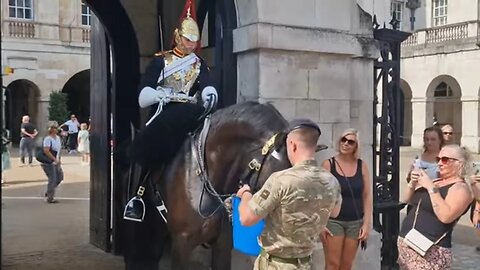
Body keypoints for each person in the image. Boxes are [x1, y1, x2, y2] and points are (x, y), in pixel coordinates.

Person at [236, 119, 342, 270]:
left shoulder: (280, 180)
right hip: (305, 264)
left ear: (292, 145)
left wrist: (246, 194)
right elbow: (335, 212)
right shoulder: (332, 181)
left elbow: (246, 219)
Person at [128, 0, 217, 170]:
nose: (191, 44)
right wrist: (155, 95)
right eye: (188, 39)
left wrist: (209, 92)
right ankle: (139, 192)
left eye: (194, 40)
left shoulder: (199, 63)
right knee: (148, 149)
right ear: (178, 36)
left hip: (191, 114)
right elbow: (145, 90)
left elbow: (206, 83)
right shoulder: (161, 60)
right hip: (165, 111)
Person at [398, 144, 473, 269]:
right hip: (409, 247)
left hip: (430, 253)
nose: (439, 163)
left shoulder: (461, 189)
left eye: (445, 159)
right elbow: (406, 200)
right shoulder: (437, 181)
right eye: (438, 159)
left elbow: (446, 216)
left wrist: (430, 187)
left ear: (459, 164)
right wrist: (412, 184)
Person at [320, 128, 373, 270]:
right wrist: (321, 223)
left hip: (355, 222)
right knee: (332, 264)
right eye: (343, 140)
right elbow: (321, 196)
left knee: (346, 265)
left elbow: (367, 195)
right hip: (333, 222)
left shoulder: (362, 166)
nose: (346, 144)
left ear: (356, 146)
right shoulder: (328, 164)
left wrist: (367, 223)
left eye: (350, 142)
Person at [40, 121, 64, 203]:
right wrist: (54, 159)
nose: (57, 129)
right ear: (51, 129)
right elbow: (46, 151)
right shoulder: (48, 139)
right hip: (48, 162)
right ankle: (50, 198)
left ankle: (49, 191)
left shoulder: (57, 138)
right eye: (55, 127)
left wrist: (58, 159)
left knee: (60, 177)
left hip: (56, 161)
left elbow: (58, 150)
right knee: (52, 179)